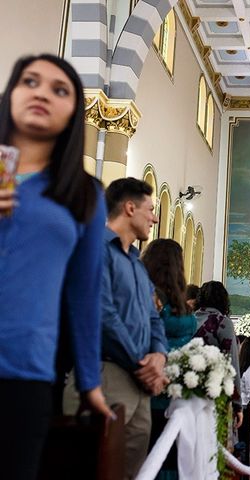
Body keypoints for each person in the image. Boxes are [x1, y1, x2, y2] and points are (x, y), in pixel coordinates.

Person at [0, 54, 111, 480]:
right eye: (30, 81)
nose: (42, 92)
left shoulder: (83, 193)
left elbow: (84, 294)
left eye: (59, 89)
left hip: (24, 369)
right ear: (11, 93)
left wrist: (89, 380)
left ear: (73, 113)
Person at [64, 177, 168, 480]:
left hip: (140, 385)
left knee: (132, 472)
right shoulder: (96, 249)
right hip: (106, 374)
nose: (155, 217)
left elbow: (153, 319)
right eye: (150, 209)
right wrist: (143, 364)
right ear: (129, 207)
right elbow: (103, 316)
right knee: (97, 468)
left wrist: (159, 356)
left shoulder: (136, 263)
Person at [142, 238, 196, 480]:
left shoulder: (153, 296)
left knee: (154, 455)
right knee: (169, 456)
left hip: (157, 383)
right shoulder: (171, 304)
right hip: (174, 388)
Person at [193, 281, 242, 426]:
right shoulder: (222, 322)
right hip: (216, 391)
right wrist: (237, 403)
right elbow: (232, 363)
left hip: (191, 389)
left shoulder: (190, 319)